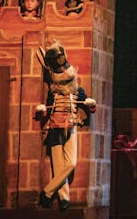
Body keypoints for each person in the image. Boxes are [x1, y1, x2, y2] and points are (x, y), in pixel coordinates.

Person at [34, 39, 97, 210]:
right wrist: (42, 111)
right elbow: (47, 109)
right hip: (55, 129)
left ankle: (47, 192)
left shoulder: (77, 90)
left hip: (71, 126)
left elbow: (86, 103)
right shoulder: (53, 93)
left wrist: (90, 104)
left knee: (71, 163)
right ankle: (64, 198)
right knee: (58, 165)